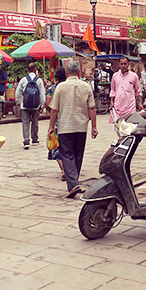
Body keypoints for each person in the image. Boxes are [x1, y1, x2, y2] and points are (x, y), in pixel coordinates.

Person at [48, 59, 97, 198]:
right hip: (81, 126)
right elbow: (92, 108)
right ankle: (74, 181)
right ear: (79, 72)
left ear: (67, 72)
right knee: (78, 154)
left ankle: (73, 183)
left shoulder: (60, 87)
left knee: (67, 154)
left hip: (65, 126)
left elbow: (54, 109)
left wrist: (51, 127)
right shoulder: (86, 86)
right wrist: (94, 126)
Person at [16, 62, 46, 150]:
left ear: (28, 70)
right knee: (35, 122)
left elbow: (18, 92)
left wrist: (18, 101)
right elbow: (42, 94)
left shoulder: (23, 80)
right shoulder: (39, 80)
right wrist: (42, 104)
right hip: (36, 105)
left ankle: (26, 141)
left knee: (25, 122)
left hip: (25, 105)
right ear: (35, 69)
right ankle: (35, 139)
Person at [44, 67, 67, 181]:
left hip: (56, 120)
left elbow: (48, 103)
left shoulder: (52, 89)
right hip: (69, 120)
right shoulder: (69, 87)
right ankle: (69, 168)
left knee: (56, 145)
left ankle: (63, 169)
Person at [110, 57, 142, 122]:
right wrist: (111, 102)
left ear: (128, 64)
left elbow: (138, 90)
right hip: (118, 107)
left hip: (130, 106)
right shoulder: (115, 76)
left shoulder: (134, 76)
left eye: (125, 64)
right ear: (119, 65)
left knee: (130, 126)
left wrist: (140, 103)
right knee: (119, 127)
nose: (123, 66)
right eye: (121, 64)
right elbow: (113, 90)